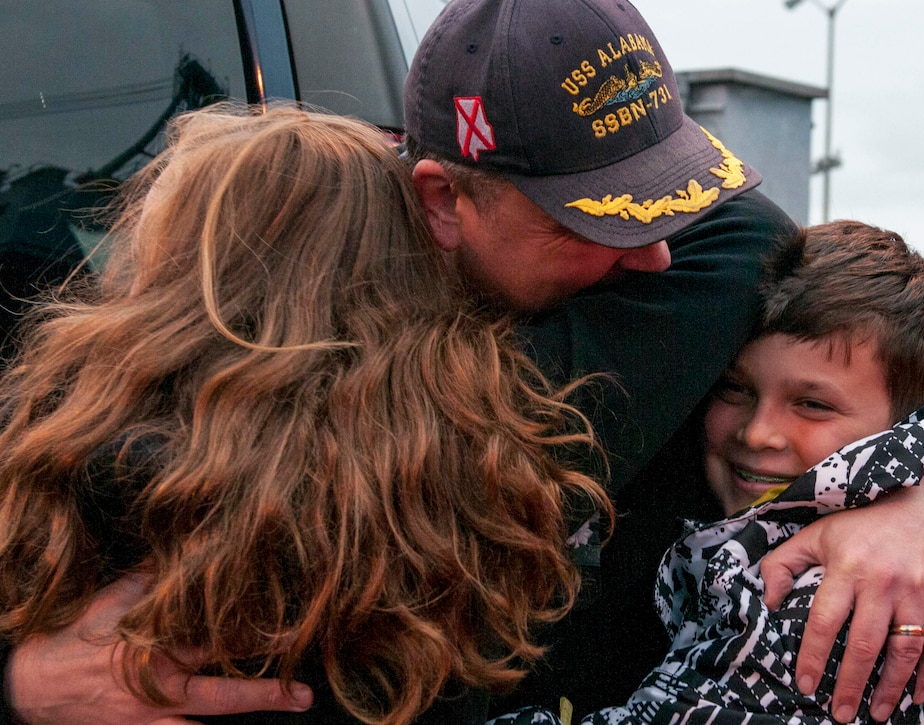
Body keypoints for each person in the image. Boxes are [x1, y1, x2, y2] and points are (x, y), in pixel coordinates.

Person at [2, 0, 924, 723]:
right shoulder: (149, 454)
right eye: (595, 215)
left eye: (666, 192)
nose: (653, 250)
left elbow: (895, 370)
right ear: (441, 201)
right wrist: (20, 681)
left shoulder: (674, 283)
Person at [0, 103, 615, 724]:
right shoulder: (485, 471)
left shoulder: (51, 455)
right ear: (410, 264)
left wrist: (17, 684)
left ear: (173, 264)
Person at [491, 220, 924, 724]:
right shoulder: (759, 547)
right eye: (734, 389)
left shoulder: (819, 603)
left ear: (907, 421)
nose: (759, 433)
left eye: (811, 404)